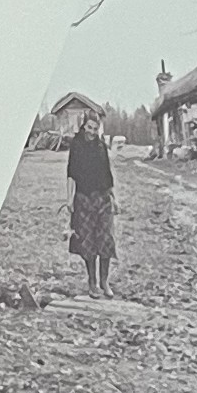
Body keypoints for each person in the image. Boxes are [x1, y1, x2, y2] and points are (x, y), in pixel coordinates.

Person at [66, 106, 119, 298]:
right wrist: (69, 199)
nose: (92, 132)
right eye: (89, 128)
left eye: (95, 129)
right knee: (88, 242)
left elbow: (107, 174)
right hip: (83, 199)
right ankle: (92, 282)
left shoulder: (101, 146)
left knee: (105, 240)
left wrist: (114, 198)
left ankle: (104, 281)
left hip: (102, 198)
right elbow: (71, 173)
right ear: (83, 126)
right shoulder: (76, 145)